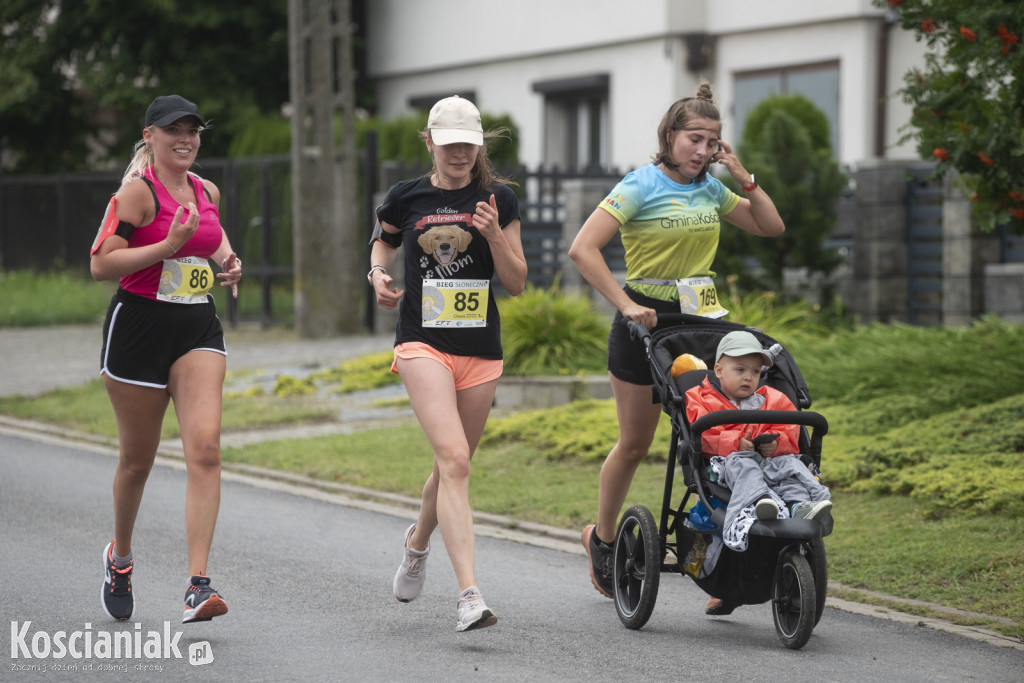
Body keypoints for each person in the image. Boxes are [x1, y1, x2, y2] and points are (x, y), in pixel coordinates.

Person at [567, 81, 786, 602]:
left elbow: (770, 227)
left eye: (712, 141)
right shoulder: (639, 184)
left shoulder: (712, 188)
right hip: (645, 322)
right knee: (636, 443)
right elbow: (582, 249)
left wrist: (744, 179)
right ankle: (600, 539)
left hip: (705, 325)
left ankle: (721, 563)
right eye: (694, 138)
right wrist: (625, 306)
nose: (703, 150)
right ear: (669, 136)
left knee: (717, 441)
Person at [368, 95, 527, 632]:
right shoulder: (405, 197)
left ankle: (416, 545)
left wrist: (491, 235)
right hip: (422, 344)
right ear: (430, 142)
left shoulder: (497, 200)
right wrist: (377, 276)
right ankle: (469, 595)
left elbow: (518, 281)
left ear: (478, 146)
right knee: (455, 459)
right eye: (450, 142)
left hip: (480, 350)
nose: (460, 153)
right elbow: (382, 243)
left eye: (469, 144)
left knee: (450, 466)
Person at [89, 94, 242, 624]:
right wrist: (165, 247)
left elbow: (212, 235)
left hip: (196, 325)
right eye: (173, 130)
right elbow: (101, 264)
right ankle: (121, 558)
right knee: (138, 461)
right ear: (149, 136)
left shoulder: (206, 189)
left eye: (193, 130)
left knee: (205, 449)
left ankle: (198, 586)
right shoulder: (136, 194)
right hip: (138, 329)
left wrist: (228, 259)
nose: (186, 138)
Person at [684, 330, 832, 614]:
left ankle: (800, 504)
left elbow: (791, 433)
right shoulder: (699, 397)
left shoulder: (775, 399)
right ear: (718, 369)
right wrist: (734, 443)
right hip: (726, 465)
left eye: (755, 371)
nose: (748, 377)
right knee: (745, 463)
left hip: (770, 464)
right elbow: (699, 436)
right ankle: (758, 503)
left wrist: (774, 445)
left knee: (792, 466)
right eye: (740, 370)